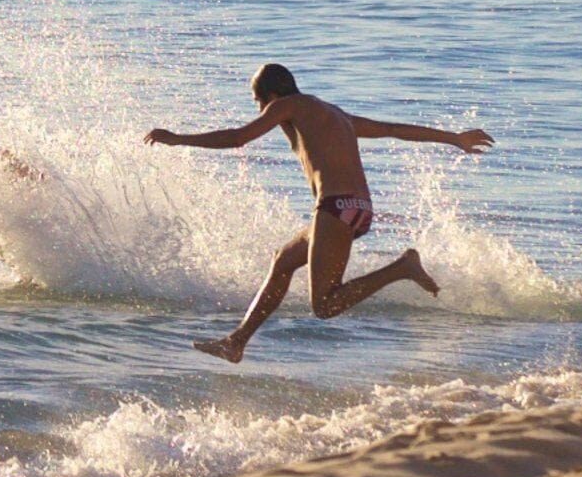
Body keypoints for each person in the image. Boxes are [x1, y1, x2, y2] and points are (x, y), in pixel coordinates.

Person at [144, 63, 495, 362]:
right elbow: (391, 129)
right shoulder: (334, 113)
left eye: (257, 101)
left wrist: (178, 139)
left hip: (336, 207)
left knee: (324, 306)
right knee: (283, 260)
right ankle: (236, 342)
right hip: (354, 208)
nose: (259, 110)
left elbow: (238, 138)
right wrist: (453, 138)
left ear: (270, 95)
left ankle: (402, 268)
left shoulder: (287, 105)